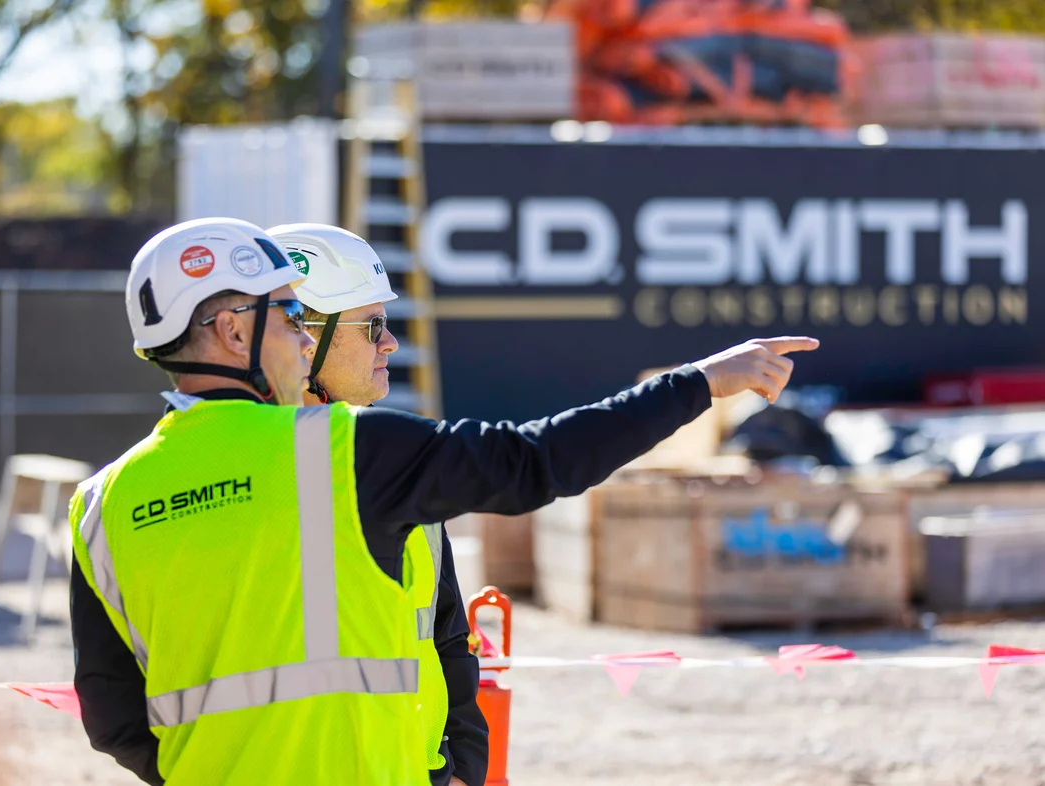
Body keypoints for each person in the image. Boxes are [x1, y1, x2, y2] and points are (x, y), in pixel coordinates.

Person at [70, 217, 819, 785]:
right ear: (232, 330)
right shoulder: (342, 450)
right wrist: (699, 383)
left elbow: (112, 716)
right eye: (290, 317)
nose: (302, 340)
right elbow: (534, 462)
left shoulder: (103, 503)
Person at [269, 222, 487, 786]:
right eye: (374, 326)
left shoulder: (394, 463)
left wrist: (462, 768)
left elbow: (445, 633)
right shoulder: (246, 479)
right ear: (305, 337)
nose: (390, 343)